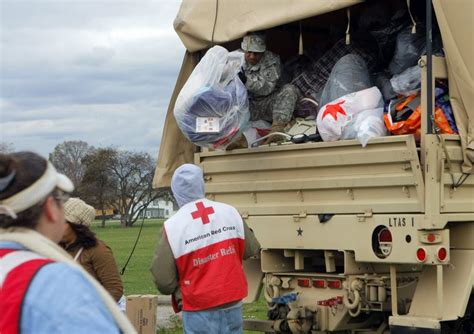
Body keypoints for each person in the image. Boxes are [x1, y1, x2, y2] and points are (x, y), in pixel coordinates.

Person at [0, 151, 135, 334]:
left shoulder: (96, 250)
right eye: (61, 201)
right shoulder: (55, 281)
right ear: (50, 208)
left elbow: (115, 287)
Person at [150, 164, 260, 333]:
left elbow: (164, 281)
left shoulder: (173, 226)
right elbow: (252, 249)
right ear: (201, 185)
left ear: (175, 191)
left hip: (198, 307)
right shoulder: (229, 212)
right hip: (232, 301)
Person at [230, 32, 299, 148]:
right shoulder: (234, 58)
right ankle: (236, 138)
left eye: (256, 53)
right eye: (249, 52)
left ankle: (277, 131)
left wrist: (247, 81)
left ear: (263, 52)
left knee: (289, 90)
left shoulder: (271, 60)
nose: (252, 56)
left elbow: (267, 88)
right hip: (244, 106)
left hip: (267, 104)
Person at [60, 198, 125, 307]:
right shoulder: (55, 247)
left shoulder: (98, 250)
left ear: (77, 226)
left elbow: (115, 289)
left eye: (63, 222)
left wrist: (91, 311)